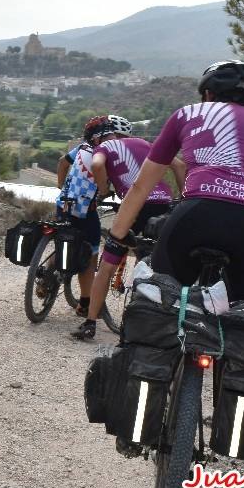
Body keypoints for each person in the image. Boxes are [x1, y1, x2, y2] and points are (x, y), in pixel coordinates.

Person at [106, 60, 244, 488]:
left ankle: (135, 417)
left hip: (191, 219)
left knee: (152, 305)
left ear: (205, 94)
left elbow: (143, 184)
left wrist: (117, 237)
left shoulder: (184, 115)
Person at [69, 115, 185, 341]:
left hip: (134, 208)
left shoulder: (104, 147)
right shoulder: (144, 143)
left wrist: (103, 190)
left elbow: (96, 165)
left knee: (106, 268)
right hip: (164, 208)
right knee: (163, 266)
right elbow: (179, 165)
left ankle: (90, 323)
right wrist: (184, 197)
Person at [54, 117, 113, 321]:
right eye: (110, 134)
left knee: (63, 240)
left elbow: (62, 162)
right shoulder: (105, 155)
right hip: (85, 210)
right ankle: (85, 303)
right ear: (99, 138)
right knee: (90, 255)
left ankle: (45, 275)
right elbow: (103, 178)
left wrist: (61, 187)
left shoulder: (81, 148)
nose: (113, 138)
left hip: (63, 204)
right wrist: (105, 190)